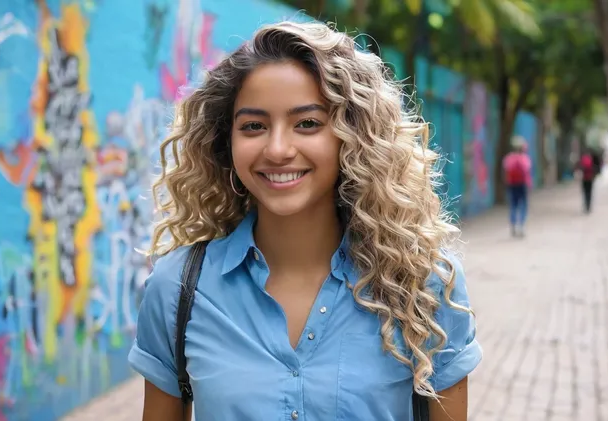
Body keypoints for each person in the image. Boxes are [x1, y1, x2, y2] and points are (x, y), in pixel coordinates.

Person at [129, 21, 482, 421]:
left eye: (308, 123)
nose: (278, 149)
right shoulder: (178, 289)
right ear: (224, 141)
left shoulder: (425, 284)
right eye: (254, 126)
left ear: (353, 136)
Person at [502, 137, 532, 237]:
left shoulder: (509, 158)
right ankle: (521, 225)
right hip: (522, 184)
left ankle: (513, 224)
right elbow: (528, 171)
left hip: (512, 184)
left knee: (513, 205)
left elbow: (506, 170)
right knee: (523, 205)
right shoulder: (525, 158)